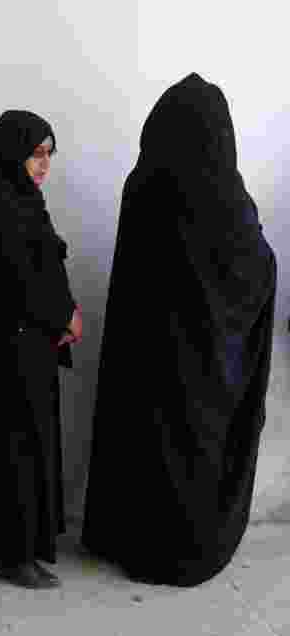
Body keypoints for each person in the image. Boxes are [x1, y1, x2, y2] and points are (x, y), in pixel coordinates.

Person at [81, 74, 276, 587]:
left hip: (145, 359)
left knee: (144, 445)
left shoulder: (144, 184)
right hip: (206, 371)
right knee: (195, 453)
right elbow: (257, 270)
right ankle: (186, 548)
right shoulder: (228, 200)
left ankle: (130, 539)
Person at [0, 111, 82, 589]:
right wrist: (62, 316)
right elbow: (17, 280)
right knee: (16, 446)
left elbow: (44, 265)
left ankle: (11, 544)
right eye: (36, 153)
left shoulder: (23, 201)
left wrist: (65, 312)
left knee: (25, 442)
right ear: (11, 155)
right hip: (8, 350)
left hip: (28, 345)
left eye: (50, 153)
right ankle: (12, 553)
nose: (44, 163)